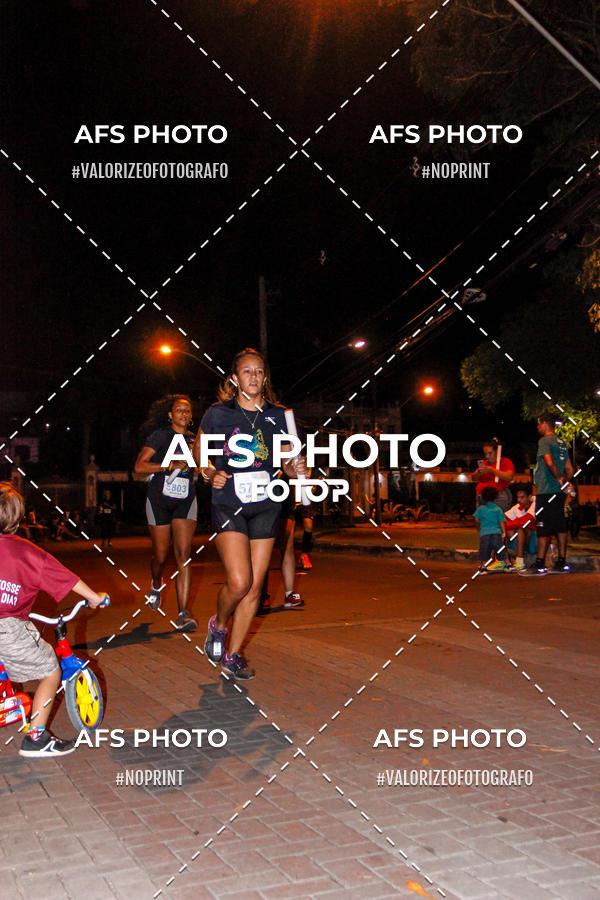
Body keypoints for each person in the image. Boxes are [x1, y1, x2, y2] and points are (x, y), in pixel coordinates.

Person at [194, 348, 306, 680]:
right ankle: (219, 624)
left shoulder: (280, 416)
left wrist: (295, 466)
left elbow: (288, 460)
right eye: (246, 371)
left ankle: (232, 655)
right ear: (235, 378)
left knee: (256, 587)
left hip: (267, 504)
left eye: (258, 372)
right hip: (229, 501)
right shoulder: (217, 414)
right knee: (240, 581)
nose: (253, 377)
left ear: (265, 378)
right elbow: (201, 451)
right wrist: (208, 471)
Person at [0, 482, 109, 758]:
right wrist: (94, 597)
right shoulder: (27, 553)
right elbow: (68, 579)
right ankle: (36, 738)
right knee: (50, 670)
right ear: (18, 517)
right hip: (7, 627)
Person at [134, 395, 198, 631]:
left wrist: (205, 471)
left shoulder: (196, 439)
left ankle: (183, 613)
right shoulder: (161, 436)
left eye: (187, 410)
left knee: (183, 554)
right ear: (170, 415)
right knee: (161, 556)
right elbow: (139, 467)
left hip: (186, 501)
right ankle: (155, 582)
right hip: (159, 500)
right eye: (178, 410)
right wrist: (169, 465)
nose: (183, 413)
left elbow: (204, 466)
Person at [520, 412, 574, 576]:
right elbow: (570, 468)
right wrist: (565, 483)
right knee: (559, 525)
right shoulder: (562, 442)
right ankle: (561, 562)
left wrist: (558, 479)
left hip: (546, 490)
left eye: (538, 424)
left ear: (545, 423)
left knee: (542, 525)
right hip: (558, 493)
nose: (538, 427)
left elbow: (549, 462)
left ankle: (540, 564)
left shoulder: (544, 441)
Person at [473, 485, 510, 573]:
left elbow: (476, 520)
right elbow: (501, 521)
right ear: (496, 497)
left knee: (484, 550)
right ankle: (508, 564)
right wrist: (504, 532)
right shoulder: (498, 509)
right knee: (500, 549)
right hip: (496, 533)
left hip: (484, 533)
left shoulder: (481, 509)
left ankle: (483, 567)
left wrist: (479, 529)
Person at [472, 440, 515, 511]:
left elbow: (509, 476)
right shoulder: (484, 464)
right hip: (482, 495)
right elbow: (473, 478)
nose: (487, 456)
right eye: (485, 454)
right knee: (483, 519)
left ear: (497, 452)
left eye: (490, 453)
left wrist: (492, 470)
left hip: (498, 495)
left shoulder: (505, 462)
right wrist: (478, 472)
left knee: (497, 518)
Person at [504, 486, 536, 571]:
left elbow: (527, 520)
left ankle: (520, 561)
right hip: (523, 540)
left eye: (522, 497)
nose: (519, 500)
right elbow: (503, 519)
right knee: (499, 529)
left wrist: (504, 525)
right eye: (518, 497)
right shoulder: (517, 507)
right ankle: (502, 560)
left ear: (529, 497)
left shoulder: (536, 503)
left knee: (521, 528)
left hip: (536, 540)